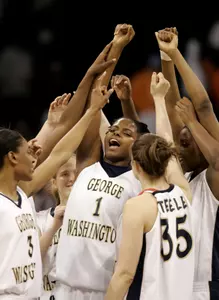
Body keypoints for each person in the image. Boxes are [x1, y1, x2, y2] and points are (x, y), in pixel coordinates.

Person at [55, 24, 150, 300]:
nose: (114, 133)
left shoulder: (139, 181)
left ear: (138, 146)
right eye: (112, 129)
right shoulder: (86, 165)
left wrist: (128, 102)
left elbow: (145, 137)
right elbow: (95, 99)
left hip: (107, 291)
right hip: (63, 288)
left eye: (126, 132)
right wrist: (116, 47)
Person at [0, 74, 112, 299]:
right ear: (12, 158)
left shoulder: (22, 195)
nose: (35, 156)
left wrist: (90, 112)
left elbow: (60, 153)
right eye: (27, 153)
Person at [105, 72, 195, 300]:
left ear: (135, 166)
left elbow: (124, 274)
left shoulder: (139, 206)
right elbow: (168, 143)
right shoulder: (183, 192)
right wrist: (159, 99)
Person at [156, 27, 219, 299]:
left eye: (188, 140)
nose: (180, 147)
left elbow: (204, 106)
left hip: (203, 286)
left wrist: (176, 54)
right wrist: (166, 57)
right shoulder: (185, 178)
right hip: (170, 282)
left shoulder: (212, 181)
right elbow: (172, 107)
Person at [37, 155, 76, 300]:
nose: (72, 179)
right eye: (65, 174)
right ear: (54, 182)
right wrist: (54, 227)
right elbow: (32, 260)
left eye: (76, 173)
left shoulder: (92, 217)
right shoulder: (40, 219)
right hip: (46, 294)